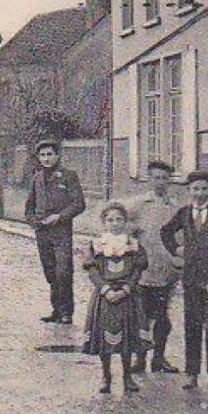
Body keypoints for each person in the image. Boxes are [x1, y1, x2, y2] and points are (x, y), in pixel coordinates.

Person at [161, 171, 208, 391]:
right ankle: (192, 373)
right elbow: (166, 232)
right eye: (195, 189)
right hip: (192, 280)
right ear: (189, 191)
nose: (199, 193)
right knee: (192, 326)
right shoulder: (184, 213)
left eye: (204, 189)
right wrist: (176, 250)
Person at [82, 202, 149, 395]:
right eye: (110, 220)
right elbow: (93, 271)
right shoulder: (97, 245)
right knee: (105, 336)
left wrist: (127, 289)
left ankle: (127, 376)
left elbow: (137, 271)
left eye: (119, 219)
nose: (115, 223)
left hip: (127, 296)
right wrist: (105, 289)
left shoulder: (133, 245)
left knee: (127, 336)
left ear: (126, 221)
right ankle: (106, 376)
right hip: (105, 296)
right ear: (104, 222)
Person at [126, 160, 183, 374]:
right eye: (156, 177)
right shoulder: (139, 204)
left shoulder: (175, 206)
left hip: (166, 270)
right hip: (142, 271)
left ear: (170, 181)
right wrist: (131, 233)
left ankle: (159, 358)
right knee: (142, 317)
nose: (160, 182)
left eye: (164, 178)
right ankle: (139, 359)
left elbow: (181, 234)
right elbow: (117, 222)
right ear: (149, 179)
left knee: (162, 317)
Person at [25, 138, 87, 324]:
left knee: (63, 271)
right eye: (42, 155)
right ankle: (56, 310)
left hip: (61, 231)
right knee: (50, 271)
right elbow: (29, 206)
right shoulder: (36, 178)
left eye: (49, 154)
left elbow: (79, 204)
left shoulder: (68, 176)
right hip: (42, 232)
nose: (46, 158)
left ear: (57, 156)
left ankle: (66, 312)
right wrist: (33, 221)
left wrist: (60, 217)